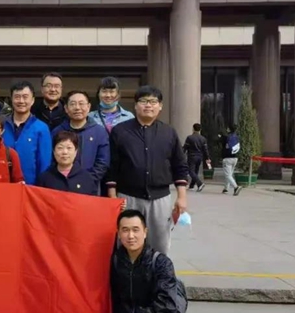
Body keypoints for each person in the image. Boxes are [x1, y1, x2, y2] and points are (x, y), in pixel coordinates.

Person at [105, 86, 188, 255]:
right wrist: (112, 197)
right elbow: (112, 165)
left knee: (160, 245)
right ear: (135, 105)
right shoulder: (120, 131)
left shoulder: (169, 133)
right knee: (127, 244)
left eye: (153, 101)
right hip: (128, 198)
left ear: (160, 106)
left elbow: (179, 165)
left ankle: (157, 272)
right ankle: (127, 272)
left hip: (160, 198)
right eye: (143, 101)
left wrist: (182, 197)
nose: (148, 105)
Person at [51, 90, 110, 188]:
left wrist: (86, 180)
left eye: (81, 103)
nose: (77, 108)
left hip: (90, 186)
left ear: (89, 107)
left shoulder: (99, 132)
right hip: (61, 185)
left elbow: (103, 162)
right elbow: (51, 159)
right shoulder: (57, 131)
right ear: (66, 108)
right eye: (73, 104)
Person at [3, 81, 52, 185]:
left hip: (30, 187)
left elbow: (44, 163)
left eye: (25, 97)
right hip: (3, 186)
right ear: (11, 99)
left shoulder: (41, 128)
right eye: (17, 97)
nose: (21, 101)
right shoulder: (1, 125)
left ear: (33, 100)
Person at [36, 130, 97, 196]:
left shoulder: (86, 178)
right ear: (54, 151)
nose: (65, 152)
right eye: (60, 148)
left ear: (76, 151)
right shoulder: (44, 178)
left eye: (69, 148)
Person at [183, 123, 211, 192]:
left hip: (192, 156)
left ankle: (199, 183)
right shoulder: (203, 138)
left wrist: (181, 154)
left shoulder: (189, 138)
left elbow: (185, 147)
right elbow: (205, 149)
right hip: (200, 157)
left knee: (191, 171)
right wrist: (207, 158)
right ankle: (191, 186)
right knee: (195, 171)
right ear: (200, 129)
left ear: (193, 129)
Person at [220, 125, 242, 196]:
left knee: (228, 175)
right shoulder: (237, 137)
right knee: (230, 174)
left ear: (229, 129)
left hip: (227, 158)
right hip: (235, 158)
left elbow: (224, 145)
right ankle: (226, 188)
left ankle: (236, 187)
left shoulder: (227, 137)